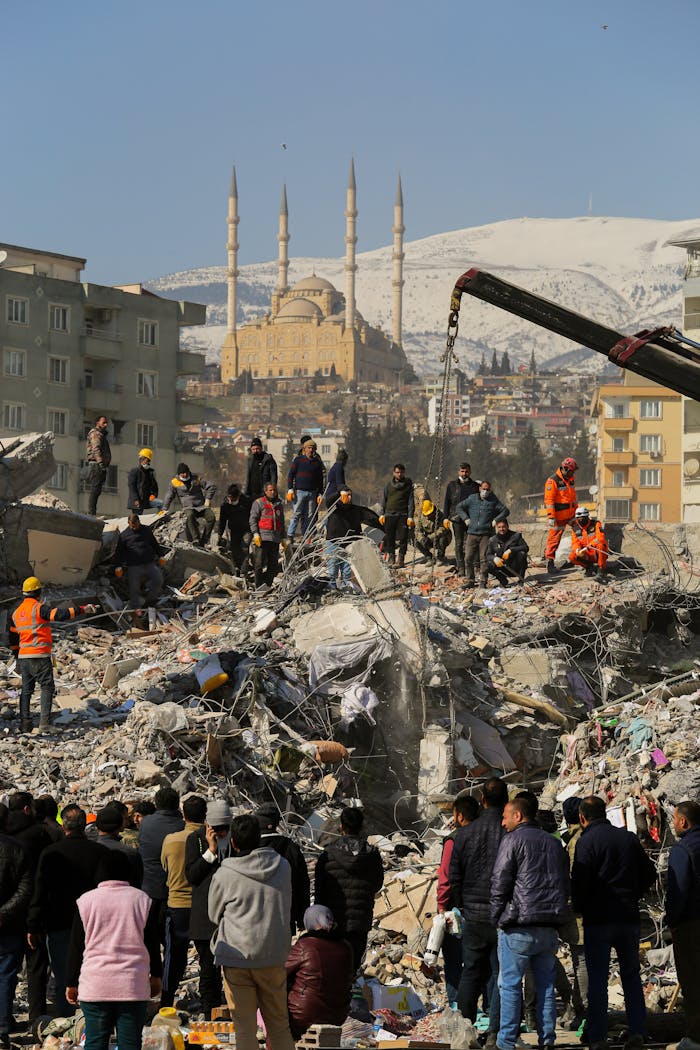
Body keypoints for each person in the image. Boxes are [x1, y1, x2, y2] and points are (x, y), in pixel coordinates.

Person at [571, 795, 657, 1050]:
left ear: (582, 818)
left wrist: (581, 906)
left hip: (598, 921)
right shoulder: (627, 838)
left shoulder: (586, 843)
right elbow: (649, 874)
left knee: (597, 978)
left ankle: (598, 1037)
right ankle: (638, 1031)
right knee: (631, 976)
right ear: (605, 813)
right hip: (628, 918)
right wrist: (632, 894)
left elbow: (580, 882)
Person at [208, 814, 295, 1050]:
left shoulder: (225, 874)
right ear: (259, 839)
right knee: (278, 1025)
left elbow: (213, 915)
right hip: (273, 955)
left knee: (244, 1029)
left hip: (237, 957)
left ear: (233, 842)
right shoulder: (282, 866)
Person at [491, 796, 570, 1050]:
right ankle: (547, 1040)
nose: (502, 823)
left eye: (505, 817)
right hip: (548, 926)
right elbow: (564, 883)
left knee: (511, 985)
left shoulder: (512, 840)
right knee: (546, 987)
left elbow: (499, 882)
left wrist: (497, 917)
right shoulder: (554, 843)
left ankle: (505, 1042)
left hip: (518, 927)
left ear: (518, 815)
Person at [66, 849, 162, 1050]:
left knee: (95, 1042)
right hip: (132, 986)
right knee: (130, 1044)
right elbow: (152, 943)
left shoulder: (85, 901)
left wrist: (71, 982)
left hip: (95, 985)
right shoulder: (143, 900)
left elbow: (76, 946)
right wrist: (156, 976)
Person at [27, 804, 102, 1018]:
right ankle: (91, 1019)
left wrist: (33, 923)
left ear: (64, 826)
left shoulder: (51, 853)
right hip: (92, 923)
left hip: (59, 921)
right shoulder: (99, 852)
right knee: (92, 972)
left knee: (62, 975)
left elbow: (40, 891)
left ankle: (66, 1023)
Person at [448, 777, 508, 1037]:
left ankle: (464, 1028)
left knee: (471, 971)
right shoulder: (510, 831)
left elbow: (454, 876)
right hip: (502, 915)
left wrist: (462, 904)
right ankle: (494, 1031)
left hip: (472, 914)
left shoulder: (463, 834)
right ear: (506, 801)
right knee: (500, 974)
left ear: (482, 799)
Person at [12, 577, 97, 733]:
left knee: (26, 690)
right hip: (39, 655)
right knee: (47, 687)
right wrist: (83, 609)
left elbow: (13, 636)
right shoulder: (39, 608)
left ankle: (25, 725)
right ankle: (44, 723)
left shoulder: (16, 613)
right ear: (38, 592)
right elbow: (60, 615)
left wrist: (16, 656)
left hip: (24, 657)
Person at [314, 807, 384, 973]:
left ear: (341, 827)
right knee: (351, 968)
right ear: (361, 827)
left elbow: (319, 890)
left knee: (333, 968)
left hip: (332, 922)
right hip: (360, 921)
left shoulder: (328, 855)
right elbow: (377, 885)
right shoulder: (372, 855)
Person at [185, 800, 233, 1019]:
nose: (222, 833)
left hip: (231, 916)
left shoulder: (234, 840)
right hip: (205, 917)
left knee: (234, 970)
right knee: (208, 970)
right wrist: (211, 851)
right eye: (217, 829)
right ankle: (209, 1011)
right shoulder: (195, 840)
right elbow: (192, 876)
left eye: (225, 829)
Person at [6, 793, 52, 1023]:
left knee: (7, 967)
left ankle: (5, 1015)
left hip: (7, 912)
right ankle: (36, 1014)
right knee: (35, 964)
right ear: (26, 809)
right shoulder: (38, 835)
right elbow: (39, 878)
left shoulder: (6, 836)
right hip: (32, 908)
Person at [160, 795, 207, 1008]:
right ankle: (210, 1003)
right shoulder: (210, 840)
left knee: (173, 956)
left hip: (177, 905)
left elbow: (165, 868)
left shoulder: (171, 839)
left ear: (184, 816)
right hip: (204, 907)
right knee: (207, 957)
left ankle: (166, 1002)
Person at [285, 905, 354, 1040]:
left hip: (304, 1013)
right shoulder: (346, 946)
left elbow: (280, 972)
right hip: (338, 1014)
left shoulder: (305, 945)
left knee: (270, 997)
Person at [436, 793, 479, 1006]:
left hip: (456, 908)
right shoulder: (487, 837)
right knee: (477, 961)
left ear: (460, 816)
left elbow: (445, 877)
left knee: (453, 959)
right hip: (481, 908)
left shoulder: (454, 840)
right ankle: (482, 1006)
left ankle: (456, 1004)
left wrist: (441, 906)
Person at [665, 801, 700, 1050]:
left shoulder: (683, 849)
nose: (674, 824)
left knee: (693, 982)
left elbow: (678, 890)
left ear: (684, 822)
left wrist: (673, 922)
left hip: (691, 926)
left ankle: (695, 1038)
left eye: (675, 819)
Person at [0, 813, 33, 1049]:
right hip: (9, 925)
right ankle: (1, 1029)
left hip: (8, 924)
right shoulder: (18, 848)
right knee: (5, 976)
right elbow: (25, 888)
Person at [254, 803, 310, 933]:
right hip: (284, 918)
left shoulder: (249, 846)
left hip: (254, 919)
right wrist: (301, 919)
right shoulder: (291, 847)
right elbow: (302, 884)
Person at [138, 788, 184, 937]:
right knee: (169, 936)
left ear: (156, 804)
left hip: (148, 888)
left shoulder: (146, 823)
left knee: (149, 936)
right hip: (172, 890)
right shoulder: (181, 827)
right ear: (176, 804)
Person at [558, 796, 588, 1032]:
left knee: (581, 962)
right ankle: (578, 1008)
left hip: (579, 912)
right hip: (583, 910)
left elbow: (573, 878)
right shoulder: (577, 839)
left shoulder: (576, 842)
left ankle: (585, 1012)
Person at [456, 481, 509, 589]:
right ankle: (470, 580)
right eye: (483, 489)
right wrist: (465, 518)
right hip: (472, 533)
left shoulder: (493, 500)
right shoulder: (472, 499)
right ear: (480, 488)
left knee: (483, 559)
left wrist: (496, 520)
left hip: (485, 534)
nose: (485, 491)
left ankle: (483, 582)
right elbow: (459, 507)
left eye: (487, 489)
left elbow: (505, 510)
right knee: (468, 558)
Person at [323, 489, 379, 590]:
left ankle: (345, 589)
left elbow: (369, 515)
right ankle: (332, 590)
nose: (349, 497)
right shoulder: (335, 507)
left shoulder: (355, 510)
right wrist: (338, 493)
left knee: (347, 572)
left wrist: (381, 520)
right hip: (333, 543)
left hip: (349, 545)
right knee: (332, 571)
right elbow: (328, 501)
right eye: (347, 495)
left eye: (350, 495)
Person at [114, 515, 164, 626]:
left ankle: (150, 603)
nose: (135, 528)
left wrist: (161, 555)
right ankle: (137, 613)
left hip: (149, 563)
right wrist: (118, 566)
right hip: (134, 566)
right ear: (128, 523)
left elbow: (154, 543)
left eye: (136, 525)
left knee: (158, 580)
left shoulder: (146, 530)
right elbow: (119, 552)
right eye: (132, 526)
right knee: (134, 588)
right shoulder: (124, 536)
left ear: (139, 522)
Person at [162, 463, 217, 547]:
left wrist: (208, 499)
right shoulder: (174, 482)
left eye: (185, 472)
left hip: (201, 506)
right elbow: (169, 495)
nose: (184, 475)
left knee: (211, 517)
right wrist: (165, 508)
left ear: (188, 472)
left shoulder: (196, 478)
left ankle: (204, 540)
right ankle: (196, 539)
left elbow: (211, 486)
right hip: (188, 507)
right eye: (182, 473)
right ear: (179, 474)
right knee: (189, 516)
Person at [443, 463, 480, 576]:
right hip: (456, 518)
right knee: (459, 544)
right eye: (462, 471)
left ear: (470, 472)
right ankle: (461, 568)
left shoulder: (474, 486)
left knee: (473, 543)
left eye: (466, 471)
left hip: (471, 519)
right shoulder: (452, 485)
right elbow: (447, 502)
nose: (464, 474)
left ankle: (475, 566)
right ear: (459, 472)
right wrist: (445, 518)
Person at [95, 805, 144, 888]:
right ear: (120, 826)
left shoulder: (87, 851)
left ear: (97, 827)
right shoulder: (131, 852)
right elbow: (138, 881)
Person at [544, 457, 578, 573]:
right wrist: (551, 517)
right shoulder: (552, 481)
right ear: (565, 469)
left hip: (571, 515)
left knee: (580, 533)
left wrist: (576, 513)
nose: (573, 473)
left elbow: (573, 498)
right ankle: (550, 563)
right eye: (572, 471)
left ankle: (579, 558)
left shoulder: (570, 479)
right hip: (558, 517)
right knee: (554, 540)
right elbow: (549, 500)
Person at [249, 482, 286, 590]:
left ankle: (267, 586)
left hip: (275, 539)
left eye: (274, 490)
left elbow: (281, 522)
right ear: (265, 491)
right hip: (262, 538)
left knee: (273, 565)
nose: (273, 492)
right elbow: (253, 519)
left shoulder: (279, 504)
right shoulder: (259, 503)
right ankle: (258, 586)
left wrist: (283, 537)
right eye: (270, 490)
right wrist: (255, 533)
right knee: (259, 564)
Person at [287, 438, 326, 539]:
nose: (311, 450)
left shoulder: (317, 463)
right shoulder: (298, 460)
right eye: (309, 448)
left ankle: (306, 535)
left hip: (312, 493)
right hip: (299, 492)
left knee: (309, 515)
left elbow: (320, 479)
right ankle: (290, 534)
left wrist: (320, 493)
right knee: (297, 513)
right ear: (304, 449)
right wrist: (290, 489)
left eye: (313, 448)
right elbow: (291, 474)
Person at [379, 464, 415, 568]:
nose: (399, 474)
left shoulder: (408, 485)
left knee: (403, 538)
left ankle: (401, 559)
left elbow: (411, 501)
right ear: (394, 473)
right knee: (390, 538)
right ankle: (391, 558)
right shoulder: (388, 485)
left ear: (404, 473)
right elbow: (384, 500)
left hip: (403, 515)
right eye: (397, 472)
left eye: (401, 472)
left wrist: (410, 516)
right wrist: (382, 514)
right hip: (390, 514)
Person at [217, 485, 253, 577]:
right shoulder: (225, 505)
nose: (232, 500)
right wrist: (220, 534)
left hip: (246, 529)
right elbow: (222, 520)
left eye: (234, 498)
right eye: (230, 498)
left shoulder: (247, 502)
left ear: (239, 496)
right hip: (234, 530)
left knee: (244, 548)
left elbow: (253, 516)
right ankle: (236, 568)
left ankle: (243, 572)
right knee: (234, 549)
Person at [569, 507, 609, 582]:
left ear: (587, 517)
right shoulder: (575, 529)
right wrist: (577, 549)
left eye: (582, 518)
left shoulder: (596, 524)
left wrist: (588, 547)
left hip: (598, 552)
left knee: (601, 545)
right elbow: (575, 542)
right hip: (587, 554)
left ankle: (601, 570)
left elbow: (600, 538)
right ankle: (589, 567)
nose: (580, 520)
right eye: (578, 518)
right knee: (572, 557)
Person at [485, 519, 529, 587]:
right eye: (499, 527)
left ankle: (521, 580)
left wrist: (511, 550)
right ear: (496, 528)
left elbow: (526, 547)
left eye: (503, 527)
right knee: (487, 564)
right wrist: (494, 558)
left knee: (522, 554)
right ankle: (503, 580)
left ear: (507, 526)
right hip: (503, 567)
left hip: (516, 567)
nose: (501, 529)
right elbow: (488, 555)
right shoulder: (493, 540)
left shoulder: (516, 536)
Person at [84, 415, 111, 516]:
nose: (105, 424)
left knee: (97, 490)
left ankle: (92, 513)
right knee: (95, 490)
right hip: (96, 465)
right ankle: (91, 514)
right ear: (97, 423)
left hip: (99, 465)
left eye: (106, 422)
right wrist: (100, 463)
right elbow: (96, 448)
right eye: (103, 422)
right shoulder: (96, 433)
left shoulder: (101, 434)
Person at [415, 499, 450, 563]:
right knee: (416, 541)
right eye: (426, 515)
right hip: (429, 539)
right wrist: (422, 538)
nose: (428, 516)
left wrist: (429, 537)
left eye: (430, 514)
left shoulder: (440, 515)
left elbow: (442, 529)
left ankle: (440, 557)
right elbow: (418, 530)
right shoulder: (421, 516)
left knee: (443, 539)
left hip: (440, 538)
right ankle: (429, 557)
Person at [127, 448, 161, 513]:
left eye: (148, 461)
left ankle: (161, 519)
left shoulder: (150, 472)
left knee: (161, 504)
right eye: (146, 460)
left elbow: (155, 486)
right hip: (137, 501)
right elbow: (132, 487)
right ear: (141, 460)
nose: (147, 462)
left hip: (146, 500)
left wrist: (154, 495)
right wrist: (135, 499)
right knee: (137, 518)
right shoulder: (134, 471)